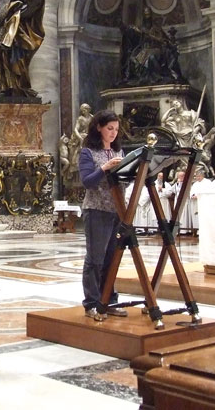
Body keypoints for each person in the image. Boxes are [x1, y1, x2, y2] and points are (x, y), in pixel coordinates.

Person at [78, 109, 127, 320]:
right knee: (95, 259)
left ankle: (109, 301)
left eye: (116, 129)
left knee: (111, 259)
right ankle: (92, 303)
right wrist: (105, 168)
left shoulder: (120, 152)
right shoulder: (87, 152)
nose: (113, 133)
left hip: (117, 210)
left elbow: (125, 179)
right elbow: (88, 181)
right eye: (110, 128)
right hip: (96, 210)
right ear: (99, 127)